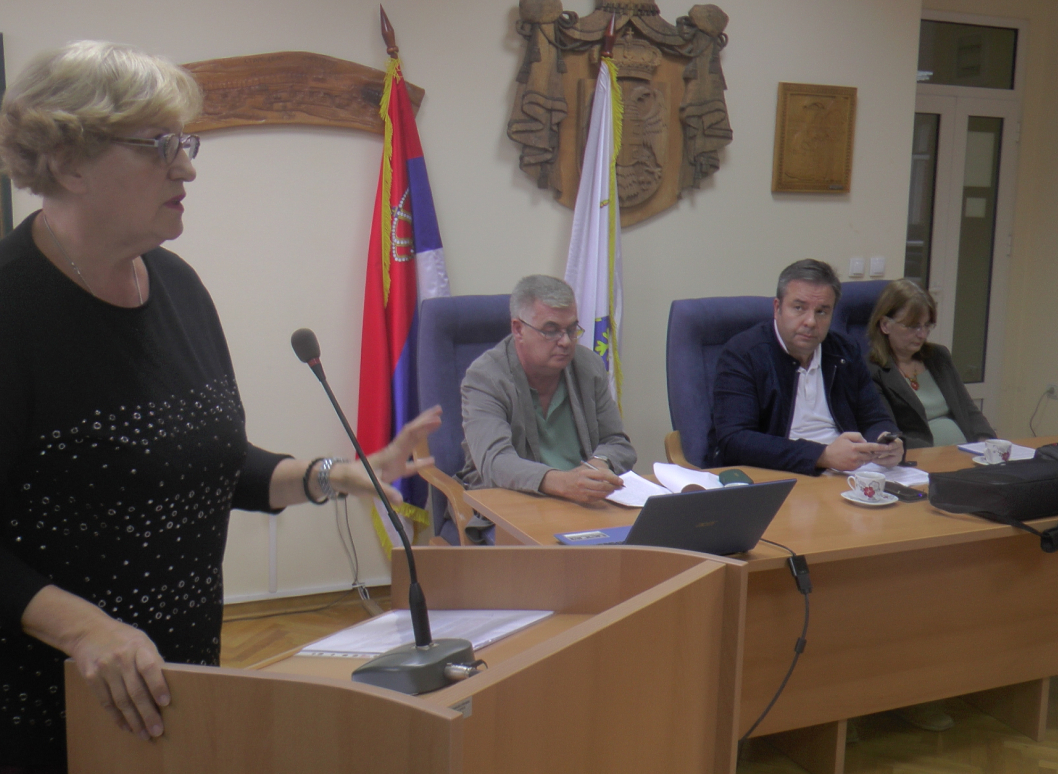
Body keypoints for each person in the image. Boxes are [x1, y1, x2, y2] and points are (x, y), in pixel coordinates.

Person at [0, 41, 440, 771]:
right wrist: (83, 629)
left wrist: (337, 473)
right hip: (50, 705)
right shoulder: (11, 309)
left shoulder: (175, 284)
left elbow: (209, 460)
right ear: (69, 161)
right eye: (160, 146)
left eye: (186, 143)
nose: (187, 168)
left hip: (181, 680)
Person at [711, 259, 902, 475]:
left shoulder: (844, 351)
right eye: (799, 308)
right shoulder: (743, 353)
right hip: (780, 474)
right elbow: (734, 440)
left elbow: (874, 418)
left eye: (821, 312)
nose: (810, 321)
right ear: (777, 308)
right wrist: (822, 456)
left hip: (848, 473)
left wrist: (886, 441)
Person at [459, 275, 635, 506]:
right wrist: (562, 483)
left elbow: (618, 443)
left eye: (571, 329)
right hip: (514, 502)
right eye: (551, 331)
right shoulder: (486, 377)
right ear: (518, 329)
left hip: (584, 502)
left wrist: (599, 465)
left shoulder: (588, 366)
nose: (566, 342)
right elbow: (496, 462)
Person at [866, 279, 995, 448]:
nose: (922, 334)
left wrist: (986, 442)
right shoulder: (872, 370)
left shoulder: (938, 357)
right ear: (885, 325)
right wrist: (938, 454)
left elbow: (968, 410)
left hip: (968, 452)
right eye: (913, 326)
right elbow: (888, 433)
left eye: (927, 325)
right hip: (922, 458)